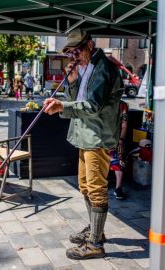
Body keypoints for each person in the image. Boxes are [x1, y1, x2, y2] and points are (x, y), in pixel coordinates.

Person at [43, 29, 123, 260]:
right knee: (85, 186)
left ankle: (96, 243)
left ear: (90, 44)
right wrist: (71, 81)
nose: (73, 56)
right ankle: (95, 229)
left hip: (97, 137)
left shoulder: (104, 68)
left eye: (76, 50)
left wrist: (62, 107)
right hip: (85, 135)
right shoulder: (86, 68)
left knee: (97, 189)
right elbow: (77, 98)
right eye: (70, 52)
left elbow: (94, 105)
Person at [110, 100, 129, 200]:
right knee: (119, 163)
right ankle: (118, 189)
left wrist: (120, 140)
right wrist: (121, 140)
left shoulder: (103, 101)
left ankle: (115, 188)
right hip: (115, 139)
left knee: (101, 163)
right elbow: (124, 124)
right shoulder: (123, 104)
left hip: (104, 139)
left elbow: (124, 124)